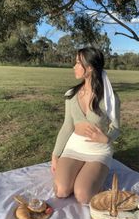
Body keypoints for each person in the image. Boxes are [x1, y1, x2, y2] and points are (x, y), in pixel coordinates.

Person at [51, 47, 120, 204]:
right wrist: (55, 155)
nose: (73, 67)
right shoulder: (71, 95)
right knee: (61, 191)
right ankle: (82, 175)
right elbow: (67, 126)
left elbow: (116, 127)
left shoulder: (109, 98)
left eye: (77, 63)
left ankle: (94, 180)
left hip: (98, 152)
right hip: (74, 148)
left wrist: (106, 139)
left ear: (89, 67)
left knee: (82, 195)